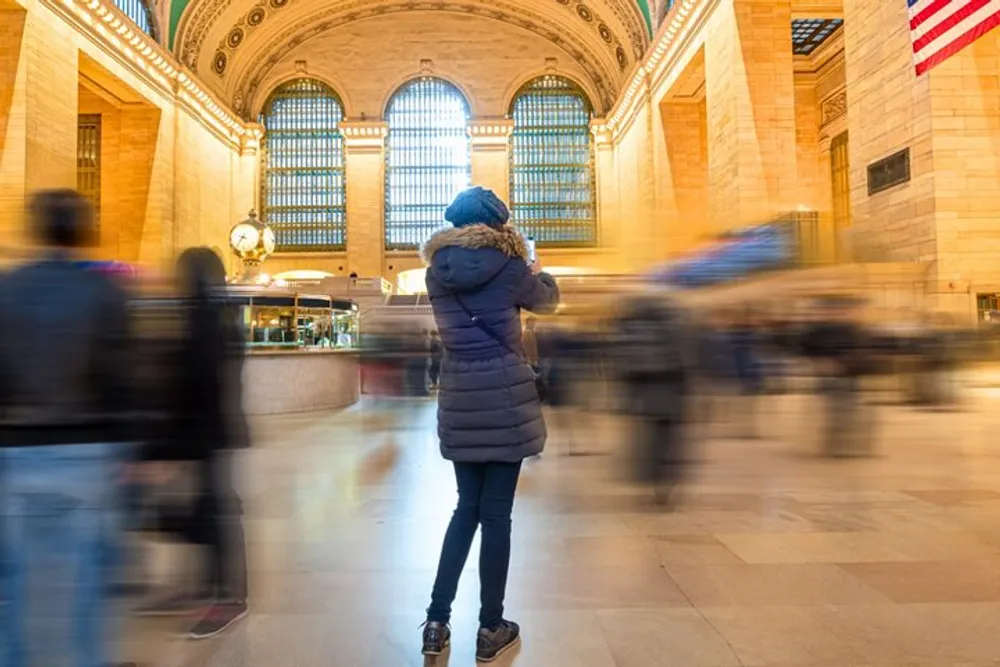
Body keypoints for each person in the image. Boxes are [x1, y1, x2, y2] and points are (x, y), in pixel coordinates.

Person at [420, 186, 559, 662]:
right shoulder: (513, 267)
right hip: (504, 400)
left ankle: (436, 622)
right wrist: (543, 273)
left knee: (465, 510)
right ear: (497, 226)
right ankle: (490, 627)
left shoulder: (435, 272)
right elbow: (548, 303)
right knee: (496, 516)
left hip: (460, 398)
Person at [0, 190, 135, 667]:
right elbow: (123, 378)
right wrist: (131, 452)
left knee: (13, 580)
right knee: (87, 582)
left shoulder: (8, 289)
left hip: (16, 451)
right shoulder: (103, 292)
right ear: (81, 232)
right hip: (85, 453)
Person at [138, 248, 251, 638]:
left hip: (205, 432)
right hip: (213, 430)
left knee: (214, 511)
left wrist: (169, 447)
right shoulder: (220, 315)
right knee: (210, 507)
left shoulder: (203, 319)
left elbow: (196, 385)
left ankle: (230, 598)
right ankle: (206, 588)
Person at [616, 290, 691, 506]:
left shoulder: (631, 330)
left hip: (645, 396)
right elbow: (684, 361)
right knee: (668, 440)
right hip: (671, 394)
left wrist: (627, 397)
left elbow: (625, 366)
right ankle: (665, 482)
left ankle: (652, 478)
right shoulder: (673, 328)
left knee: (649, 440)